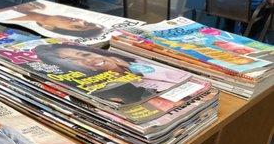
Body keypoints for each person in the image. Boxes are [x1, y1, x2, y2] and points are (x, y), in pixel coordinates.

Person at [32, 43, 190, 103]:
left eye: (85, 55)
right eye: (73, 62)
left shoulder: (159, 71)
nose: (87, 61)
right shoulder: (108, 92)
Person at [8, 0, 104, 38]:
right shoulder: (39, 6)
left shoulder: (15, 23)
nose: (80, 21)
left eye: (77, 27)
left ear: (49, 27)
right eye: (87, 23)